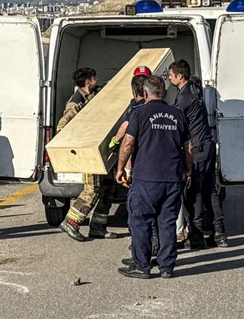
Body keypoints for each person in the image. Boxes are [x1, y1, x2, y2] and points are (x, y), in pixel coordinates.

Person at [116, 76, 193, 279]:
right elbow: (189, 147)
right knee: (167, 222)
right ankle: (167, 267)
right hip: (173, 178)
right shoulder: (177, 114)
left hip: (146, 178)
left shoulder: (139, 113)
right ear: (164, 93)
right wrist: (187, 170)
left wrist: (120, 168)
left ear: (145, 93)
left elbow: (128, 143)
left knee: (140, 221)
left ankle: (142, 265)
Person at [168, 60, 227, 248]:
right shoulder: (196, 89)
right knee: (210, 191)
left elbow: (176, 122)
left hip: (197, 149)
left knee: (194, 193)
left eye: (171, 75)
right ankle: (220, 234)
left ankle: (197, 235)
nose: (169, 78)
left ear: (180, 76)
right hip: (207, 145)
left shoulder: (184, 97)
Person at [57, 67, 117, 241]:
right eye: (94, 78)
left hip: (100, 151)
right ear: (88, 81)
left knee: (108, 188)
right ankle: (71, 222)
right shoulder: (75, 102)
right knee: (92, 189)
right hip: (87, 153)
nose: (97, 81)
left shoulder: (95, 94)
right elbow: (63, 125)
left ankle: (98, 227)